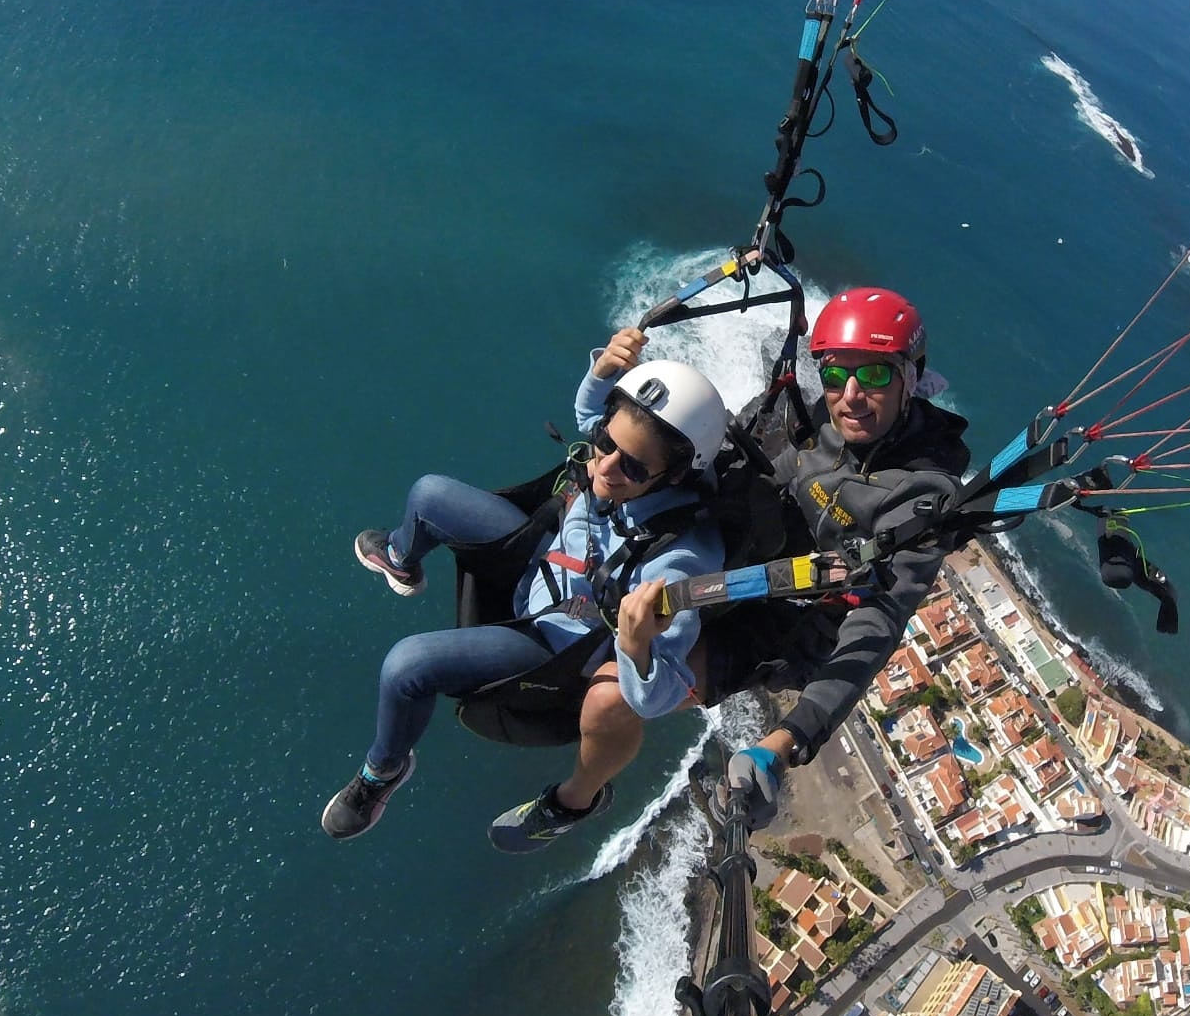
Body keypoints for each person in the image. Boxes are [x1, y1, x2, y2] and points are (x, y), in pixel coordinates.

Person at [322, 327, 728, 852]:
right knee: (428, 495)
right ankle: (401, 558)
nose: (603, 467)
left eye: (630, 465)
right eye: (607, 444)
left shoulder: (679, 560)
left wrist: (634, 646)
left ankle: (381, 773)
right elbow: (591, 417)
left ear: (673, 478)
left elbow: (658, 695)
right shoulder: (627, 458)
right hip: (539, 564)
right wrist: (602, 372)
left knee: (406, 667)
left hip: (547, 642)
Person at [620, 286, 971, 830]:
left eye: (875, 375)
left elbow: (876, 625)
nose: (851, 394)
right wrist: (624, 405)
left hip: (791, 631)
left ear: (911, 377)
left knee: (614, 694)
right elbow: (757, 475)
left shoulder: (924, 499)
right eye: (835, 375)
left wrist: (786, 741)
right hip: (748, 574)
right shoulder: (824, 430)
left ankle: (575, 799)